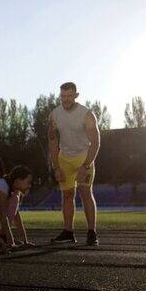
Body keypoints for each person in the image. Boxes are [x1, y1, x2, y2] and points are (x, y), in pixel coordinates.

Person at [48, 82, 100, 245]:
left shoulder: (87, 114)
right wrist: (56, 167)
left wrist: (86, 166)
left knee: (85, 193)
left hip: (83, 156)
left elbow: (96, 142)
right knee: (67, 195)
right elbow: (53, 143)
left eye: (69, 96)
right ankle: (68, 232)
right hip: (64, 159)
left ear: (76, 95)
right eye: (63, 96)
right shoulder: (54, 115)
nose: (66, 99)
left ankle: (92, 232)